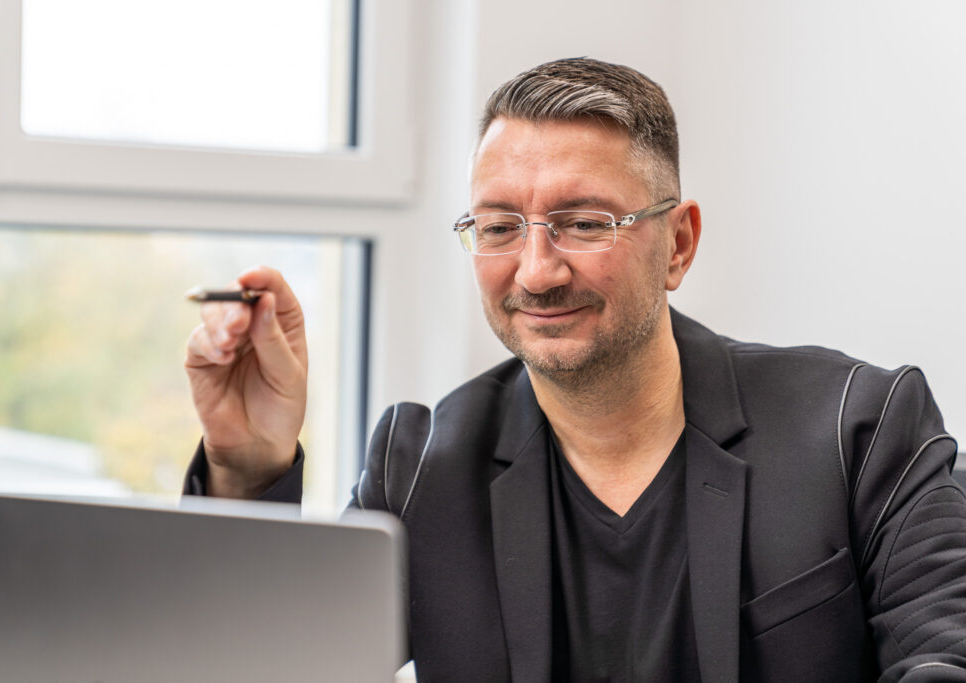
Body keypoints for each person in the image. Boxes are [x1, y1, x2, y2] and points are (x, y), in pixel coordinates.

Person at [182, 58, 966, 682]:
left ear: (679, 244)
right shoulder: (419, 466)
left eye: (584, 223)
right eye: (498, 227)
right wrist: (249, 472)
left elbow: (945, 653)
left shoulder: (858, 428)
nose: (536, 271)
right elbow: (271, 663)